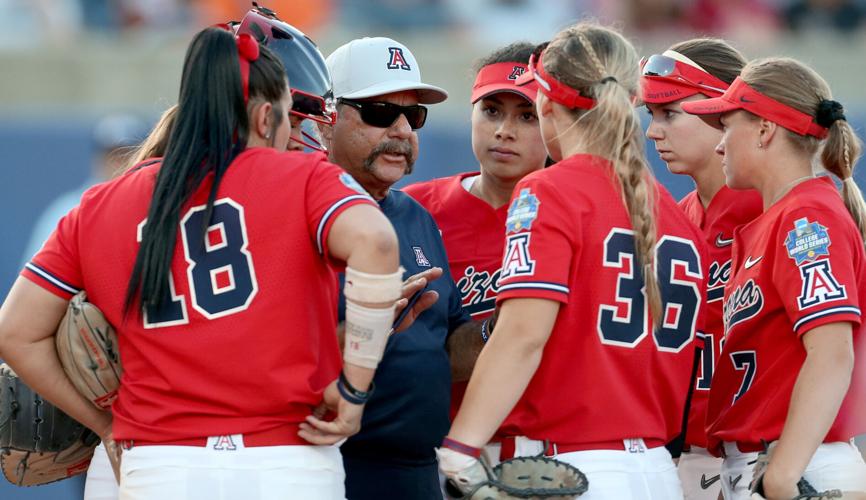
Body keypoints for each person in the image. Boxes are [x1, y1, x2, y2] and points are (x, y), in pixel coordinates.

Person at [0, 26, 402, 500]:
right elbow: (376, 244)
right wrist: (355, 388)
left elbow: (14, 333)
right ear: (264, 115)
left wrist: (104, 423)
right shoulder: (304, 177)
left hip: (157, 461)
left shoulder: (99, 204)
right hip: (285, 460)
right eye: (291, 119)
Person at [438, 23, 708, 500]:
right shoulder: (673, 212)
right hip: (657, 471)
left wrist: (459, 448)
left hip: (565, 468)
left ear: (544, 102)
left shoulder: (549, 190)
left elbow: (521, 336)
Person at [682, 58, 866, 498]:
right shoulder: (783, 215)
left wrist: (782, 475)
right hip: (765, 460)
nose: (720, 145)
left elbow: (832, 352)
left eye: (726, 125)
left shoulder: (806, 217)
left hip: (799, 462)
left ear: (765, 130)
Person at [319, 36, 480, 499]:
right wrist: (369, 323)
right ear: (328, 116)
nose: (402, 129)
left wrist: (511, 319)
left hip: (418, 472)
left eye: (414, 115)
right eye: (380, 111)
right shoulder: (303, 211)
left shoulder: (415, 216)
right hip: (335, 463)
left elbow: (445, 347)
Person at [402, 41, 546, 461]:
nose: (504, 130)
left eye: (527, 115)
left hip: (540, 448)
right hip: (434, 441)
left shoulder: (574, 212)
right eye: (491, 110)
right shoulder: (416, 208)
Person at [641, 39, 763, 500]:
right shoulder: (674, 216)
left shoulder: (775, 208)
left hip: (766, 447)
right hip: (686, 452)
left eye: (669, 113)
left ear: (723, 110)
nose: (653, 132)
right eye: (651, 116)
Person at [20, 112, 146, 264]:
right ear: (97, 160)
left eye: (126, 155)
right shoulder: (68, 211)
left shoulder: (152, 207)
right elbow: (34, 277)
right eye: (112, 156)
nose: (118, 164)